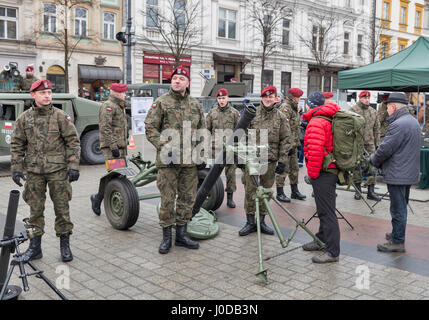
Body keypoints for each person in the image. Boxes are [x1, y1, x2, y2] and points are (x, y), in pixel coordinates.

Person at [10, 79, 81, 262]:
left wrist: (73, 166)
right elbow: (17, 144)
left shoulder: (60, 116)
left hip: (58, 171)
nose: (47, 96)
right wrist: (16, 169)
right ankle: (35, 248)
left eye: (49, 92)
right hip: (34, 172)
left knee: (62, 209)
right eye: (43, 93)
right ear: (33, 95)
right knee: (35, 211)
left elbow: (72, 142)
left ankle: (65, 246)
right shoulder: (24, 118)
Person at [145, 66, 206, 254]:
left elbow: (201, 133)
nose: (177, 81)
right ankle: (166, 238)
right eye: (174, 78)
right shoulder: (161, 102)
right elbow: (150, 128)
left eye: (181, 78)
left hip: (189, 162)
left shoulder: (195, 105)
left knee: (187, 199)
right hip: (168, 162)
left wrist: (201, 155)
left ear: (187, 83)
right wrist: (165, 148)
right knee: (167, 199)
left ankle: (181, 235)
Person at [370, 92, 421, 252]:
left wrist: (373, 160)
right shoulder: (411, 121)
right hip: (407, 172)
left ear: (393, 107)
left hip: (398, 173)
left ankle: (397, 241)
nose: (386, 110)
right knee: (402, 206)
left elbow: (385, 149)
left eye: (387, 107)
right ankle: (396, 233)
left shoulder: (398, 124)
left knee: (397, 209)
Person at [239, 85, 291, 236]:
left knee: (266, 192)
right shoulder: (251, 114)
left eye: (271, 97)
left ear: (275, 99)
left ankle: (261, 221)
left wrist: (282, 161)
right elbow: (241, 135)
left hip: (270, 161)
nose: (268, 99)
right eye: (265, 97)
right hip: (253, 160)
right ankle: (250, 222)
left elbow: (286, 140)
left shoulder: (281, 117)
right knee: (250, 191)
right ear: (261, 98)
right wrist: (241, 158)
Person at [302, 92, 341, 263]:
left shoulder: (316, 121)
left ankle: (332, 252)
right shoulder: (326, 117)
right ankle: (321, 238)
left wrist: (312, 174)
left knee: (327, 213)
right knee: (324, 209)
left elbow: (316, 151)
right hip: (330, 170)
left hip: (323, 172)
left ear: (310, 105)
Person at [90, 83, 129, 215]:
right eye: (123, 93)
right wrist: (113, 147)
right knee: (114, 175)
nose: (125, 95)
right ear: (117, 93)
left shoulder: (119, 106)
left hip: (120, 147)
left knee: (117, 175)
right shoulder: (108, 106)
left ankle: (102, 198)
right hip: (112, 148)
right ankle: (99, 198)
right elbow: (105, 128)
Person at [205, 88, 240, 208]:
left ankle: (230, 198)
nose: (221, 100)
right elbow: (206, 131)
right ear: (217, 99)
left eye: (223, 98)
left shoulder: (234, 113)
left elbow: (239, 132)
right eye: (219, 98)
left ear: (227, 98)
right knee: (213, 175)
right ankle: (211, 195)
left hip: (230, 150)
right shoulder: (212, 113)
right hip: (215, 150)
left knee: (231, 174)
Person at [276, 88, 306, 203]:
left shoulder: (294, 108)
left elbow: (295, 127)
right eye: (298, 98)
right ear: (294, 97)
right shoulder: (286, 108)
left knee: (294, 169)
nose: (299, 100)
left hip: (293, 144)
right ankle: (280, 192)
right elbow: (284, 129)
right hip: (286, 145)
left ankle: (295, 191)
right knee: (283, 169)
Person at [350, 91, 381, 201]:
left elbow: (377, 129)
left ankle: (370, 191)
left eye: (368, 97)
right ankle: (358, 191)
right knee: (357, 167)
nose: (367, 100)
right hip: (357, 144)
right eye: (364, 98)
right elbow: (349, 128)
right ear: (360, 98)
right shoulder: (353, 110)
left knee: (372, 167)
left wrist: (378, 145)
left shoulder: (373, 111)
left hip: (370, 144)